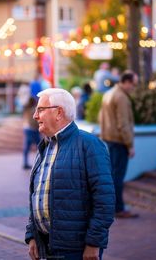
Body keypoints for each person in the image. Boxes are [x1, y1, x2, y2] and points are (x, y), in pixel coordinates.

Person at [25, 88, 115, 260]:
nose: (35, 116)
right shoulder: (44, 146)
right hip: (47, 246)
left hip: (77, 250)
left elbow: (105, 199)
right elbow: (36, 196)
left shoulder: (89, 145)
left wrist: (93, 243)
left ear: (59, 112)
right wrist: (32, 235)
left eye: (40, 110)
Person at [99, 71, 139, 218]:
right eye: (133, 84)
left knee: (112, 175)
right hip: (119, 141)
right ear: (127, 82)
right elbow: (123, 124)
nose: (133, 88)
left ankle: (112, 207)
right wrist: (130, 145)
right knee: (118, 177)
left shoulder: (109, 93)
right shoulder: (121, 97)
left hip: (109, 139)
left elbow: (101, 118)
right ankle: (118, 208)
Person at [22, 97, 41, 169]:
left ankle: (25, 163)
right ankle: (40, 162)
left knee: (27, 147)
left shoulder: (26, 109)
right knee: (40, 146)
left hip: (26, 128)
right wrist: (38, 127)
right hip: (32, 129)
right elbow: (33, 121)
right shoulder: (33, 110)